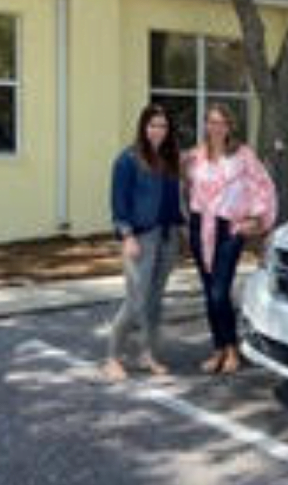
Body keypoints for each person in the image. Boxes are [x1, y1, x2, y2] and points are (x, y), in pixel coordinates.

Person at [185, 104, 276, 374]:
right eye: (211, 122)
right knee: (208, 292)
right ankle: (218, 349)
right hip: (201, 226)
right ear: (205, 125)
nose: (216, 127)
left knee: (219, 291)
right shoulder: (196, 156)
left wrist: (258, 219)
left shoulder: (243, 155)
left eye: (221, 122)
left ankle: (233, 349)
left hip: (230, 228)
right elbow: (184, 184)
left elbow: (264, 185)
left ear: (229, 126)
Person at [103, 104, 185, 382]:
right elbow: (118, 203)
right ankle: (112, 357)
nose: (158, 131)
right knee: (135, 300)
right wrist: (127, 236)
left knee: (154, 301)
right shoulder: (127, 160)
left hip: (168, 236)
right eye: (153, 125)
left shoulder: (172, 159)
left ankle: (147, 354)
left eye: (163, 126)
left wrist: (180, 232)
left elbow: (176, 200)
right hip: (141, 237)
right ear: (143, 127)